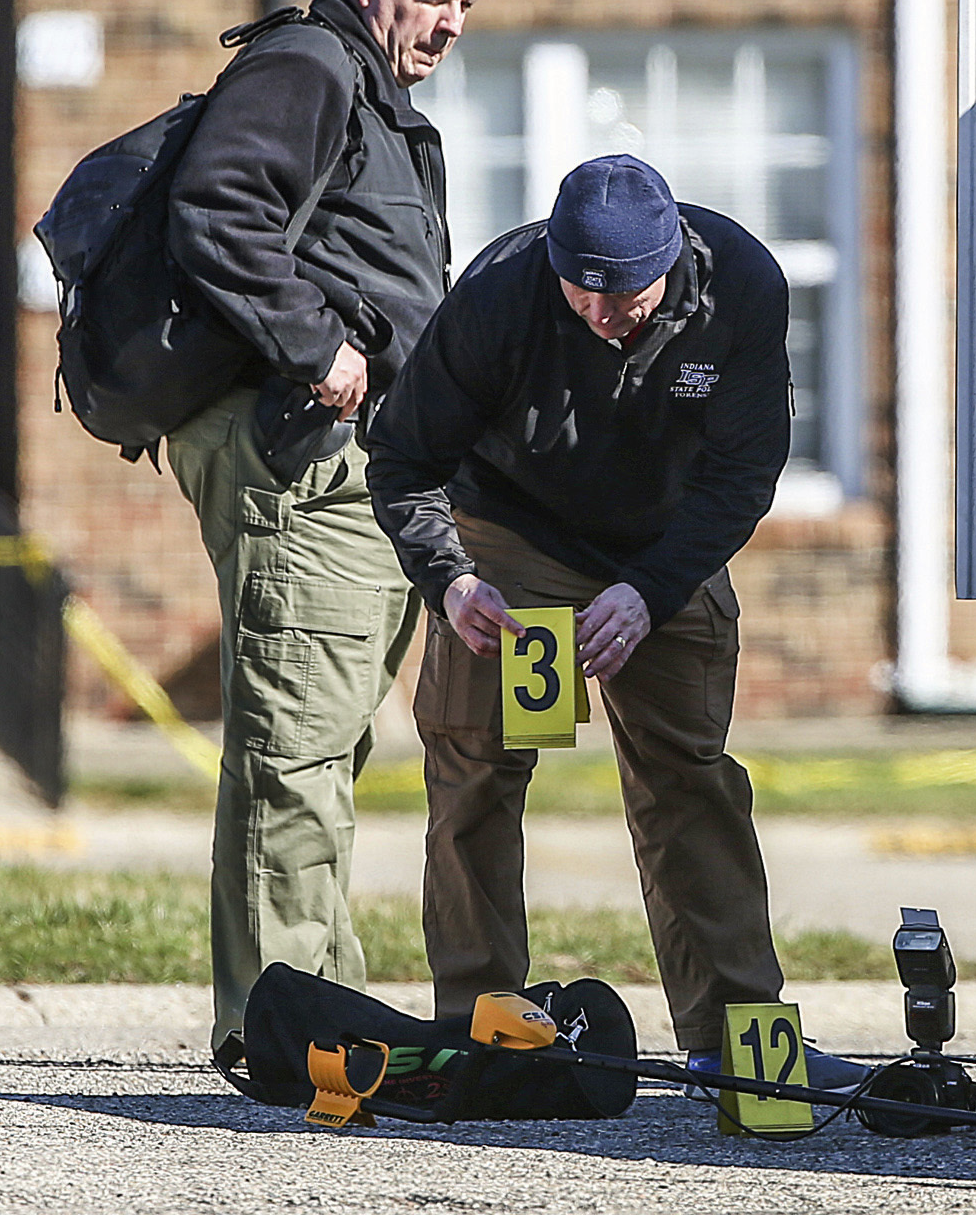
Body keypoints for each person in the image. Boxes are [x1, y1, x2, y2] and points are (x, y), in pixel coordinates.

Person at [367, 154, 869, 1089]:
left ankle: (736, 1037)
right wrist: (455, 583)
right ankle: (484, 1023)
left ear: (672, 259)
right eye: (580, 293)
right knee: (479, 764)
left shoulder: (741, 287)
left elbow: (743, 475)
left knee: (688, 775)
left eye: (626, 296)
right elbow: (402, 459)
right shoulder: (499, 298)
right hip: (513, 536)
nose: (601, 315)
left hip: (663, 546)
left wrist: (651, 590)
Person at [164, 0, 481, 1058]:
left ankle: (313, 1004)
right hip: (301, 458)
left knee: (325, 740)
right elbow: (217, 207)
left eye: (464, 6)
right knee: (296, 743)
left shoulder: (380, 100)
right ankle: (285, 1025)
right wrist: (323, 346)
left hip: (358, 470)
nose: (447, 23)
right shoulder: (310, 63)